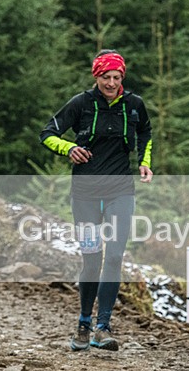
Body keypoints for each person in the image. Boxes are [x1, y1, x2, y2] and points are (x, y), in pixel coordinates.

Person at [39, 49, 153, 351]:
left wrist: (144, 161)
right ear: (97, 76)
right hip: (86, 193)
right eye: (106, 77)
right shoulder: (81, 103)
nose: (112, 83)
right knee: (92, 259)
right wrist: (68, 148)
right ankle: (83, 323)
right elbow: (47, 133)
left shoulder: (134, 105)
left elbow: (146, 133)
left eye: (117, 77)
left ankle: (103, 326)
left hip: (120, 191)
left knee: (114, 257)